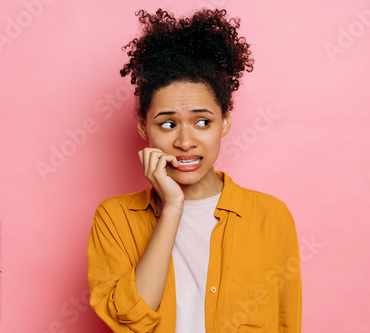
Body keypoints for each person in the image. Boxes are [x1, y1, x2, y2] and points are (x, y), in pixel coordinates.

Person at [87, 8, 302, 333]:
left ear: (225, 121)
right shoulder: (115, 219)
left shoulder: (270, 218)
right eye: (168, 124)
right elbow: (128, 322)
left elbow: (287, 324)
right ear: (144, 128)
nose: (185, 141)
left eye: (203, 122)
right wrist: (172, 207)